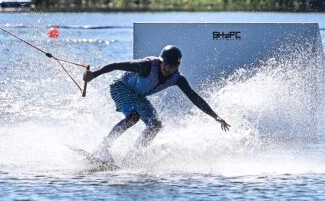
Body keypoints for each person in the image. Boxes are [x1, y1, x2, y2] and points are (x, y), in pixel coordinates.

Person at [83, 45, 230, 166]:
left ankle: (131, 158)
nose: (166, 69)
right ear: (161, 61)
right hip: (120, 87)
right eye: (164, 64)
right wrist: (94, 75)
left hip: (138, 96)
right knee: (134, 117)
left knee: (156, 125)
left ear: (177, 66)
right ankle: (103, 147)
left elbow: (194, 97)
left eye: (170, 67)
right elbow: (115, 66)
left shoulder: (177, 79)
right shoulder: (146, 66)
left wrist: (215, 116)